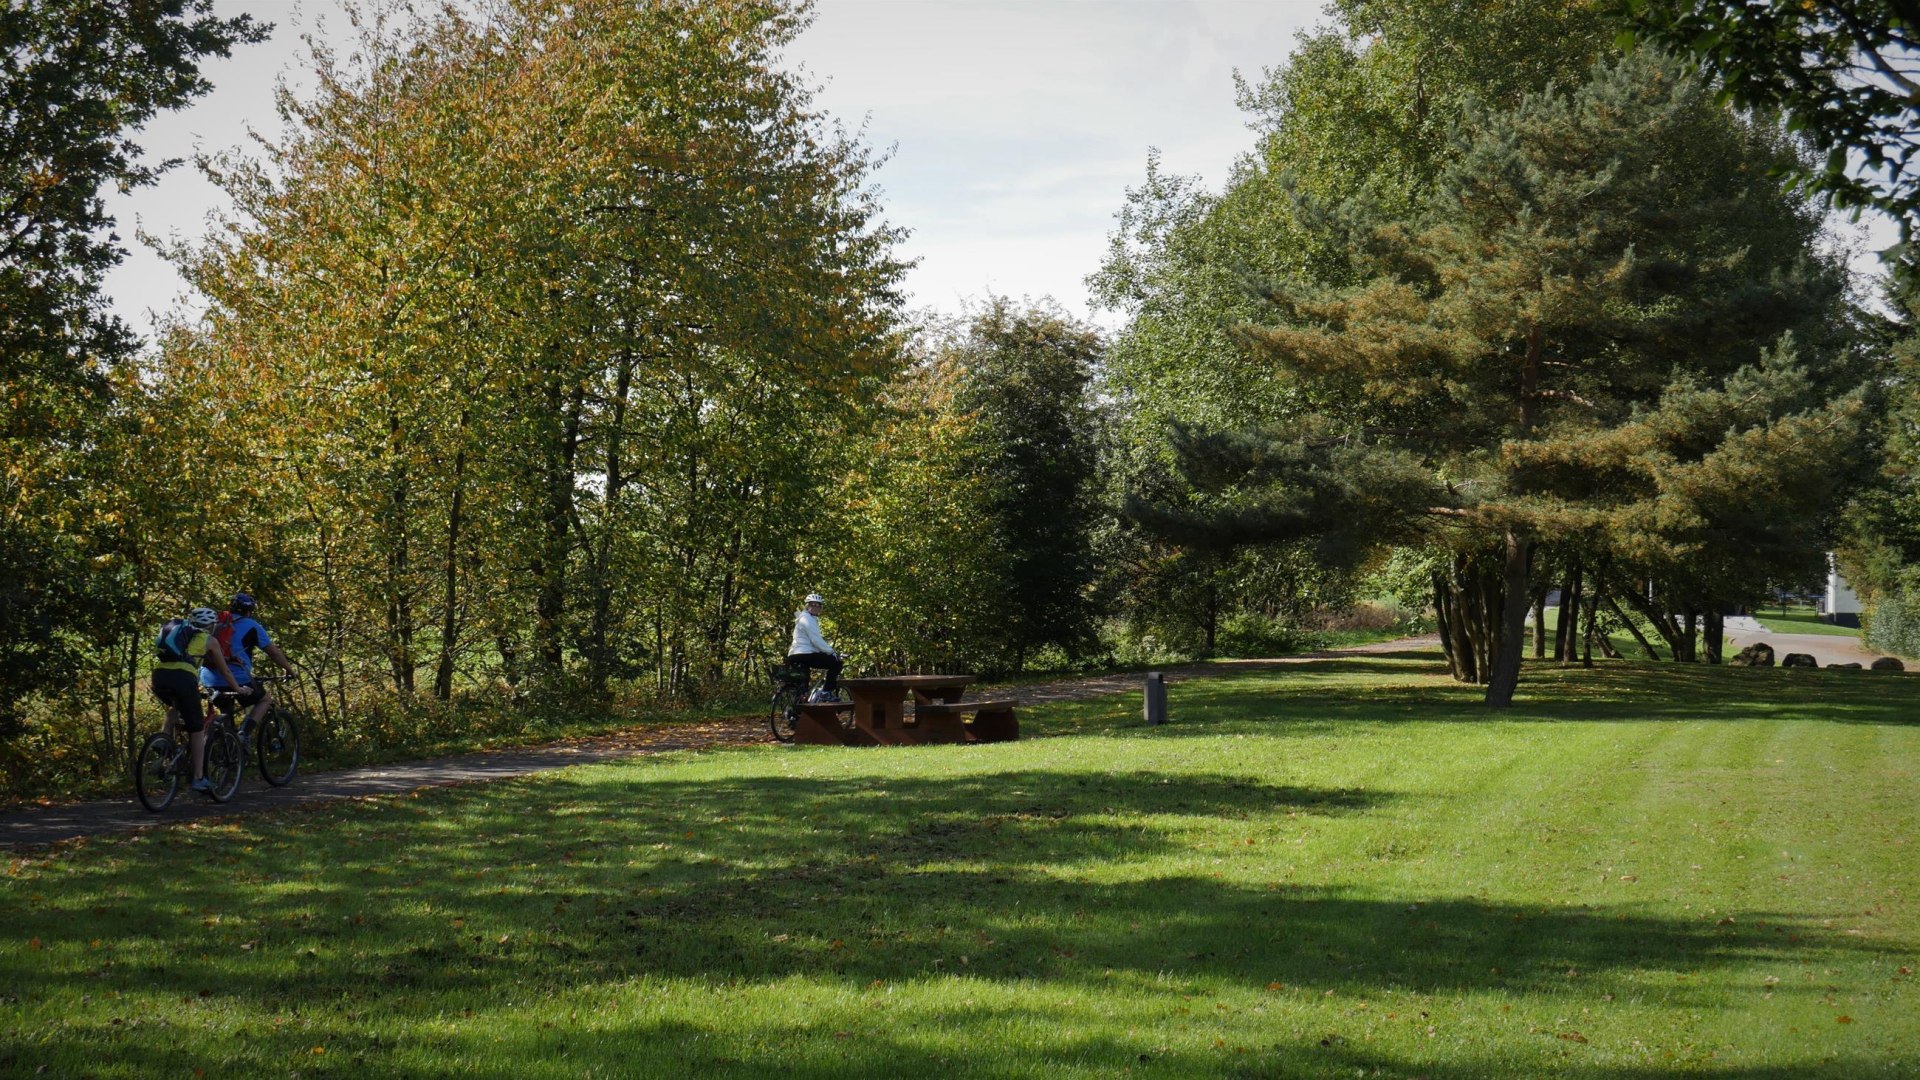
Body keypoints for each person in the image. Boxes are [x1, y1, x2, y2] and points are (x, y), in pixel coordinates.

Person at [152, 607, 243, 795]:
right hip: (183, 678)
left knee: (175, 706)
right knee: (197, 728)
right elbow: (225, 671)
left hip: (159, 675)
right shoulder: (209, 640)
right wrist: (238, 688)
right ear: (211, 625)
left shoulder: (181, 636)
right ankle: (199, 778)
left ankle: (163, 742)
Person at [200, 592, 295, 735]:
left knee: (226, 712)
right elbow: (274, 652)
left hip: (208, 678)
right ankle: (244, 734)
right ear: (249, 611)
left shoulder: (216, 622)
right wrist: (289, 670)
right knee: (264, 700)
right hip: (238, 677)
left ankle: (224, 748)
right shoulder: (252, 626)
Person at [787, 592, 844, 701]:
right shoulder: (807, 619)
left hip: (794, 654)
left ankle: (798, 708)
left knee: (803, 684)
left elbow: (812, 642)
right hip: (805, 654)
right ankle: (826, 692)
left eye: (818, 605)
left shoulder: (804, 618)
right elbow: (816, 640)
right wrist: (831, 652)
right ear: (807, 605)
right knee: (836, 663)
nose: (816, 607)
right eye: (813, 604)